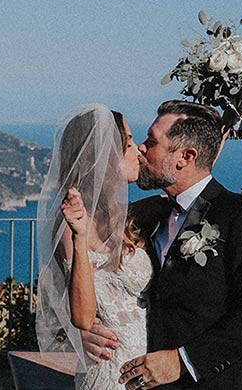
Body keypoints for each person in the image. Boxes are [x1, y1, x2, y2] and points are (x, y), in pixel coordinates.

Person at [81, 100, 242, 389]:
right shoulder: (146, 218)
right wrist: (86, 332)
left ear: (185, 157)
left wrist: (183, 361)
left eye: (152, 141)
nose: (140, 148)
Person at [35, 104, 151, 389]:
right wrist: (79, 234)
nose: (139, 150)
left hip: (147, 369)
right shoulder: (73, 225)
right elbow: (83, 317)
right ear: (107, 155)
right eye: (130, 141)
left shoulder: (127, 215)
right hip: (111, 372)